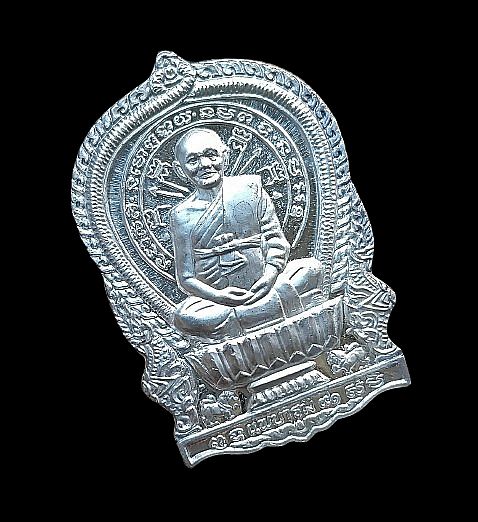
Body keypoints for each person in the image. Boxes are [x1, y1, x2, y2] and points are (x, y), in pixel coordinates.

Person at [170, 128, 322, 342]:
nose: (204, 164)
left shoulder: (250, 188)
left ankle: (245, 318)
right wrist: (218, 296)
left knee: (311, 268)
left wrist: (269, 277)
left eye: (211, 155)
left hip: (268, 285)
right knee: (184, 316)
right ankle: (270, 310)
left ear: (225, 156)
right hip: (220, 303)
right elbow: (186, 278)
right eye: (193, 160)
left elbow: (276, 241)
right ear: (180, 169)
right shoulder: (181, 216)